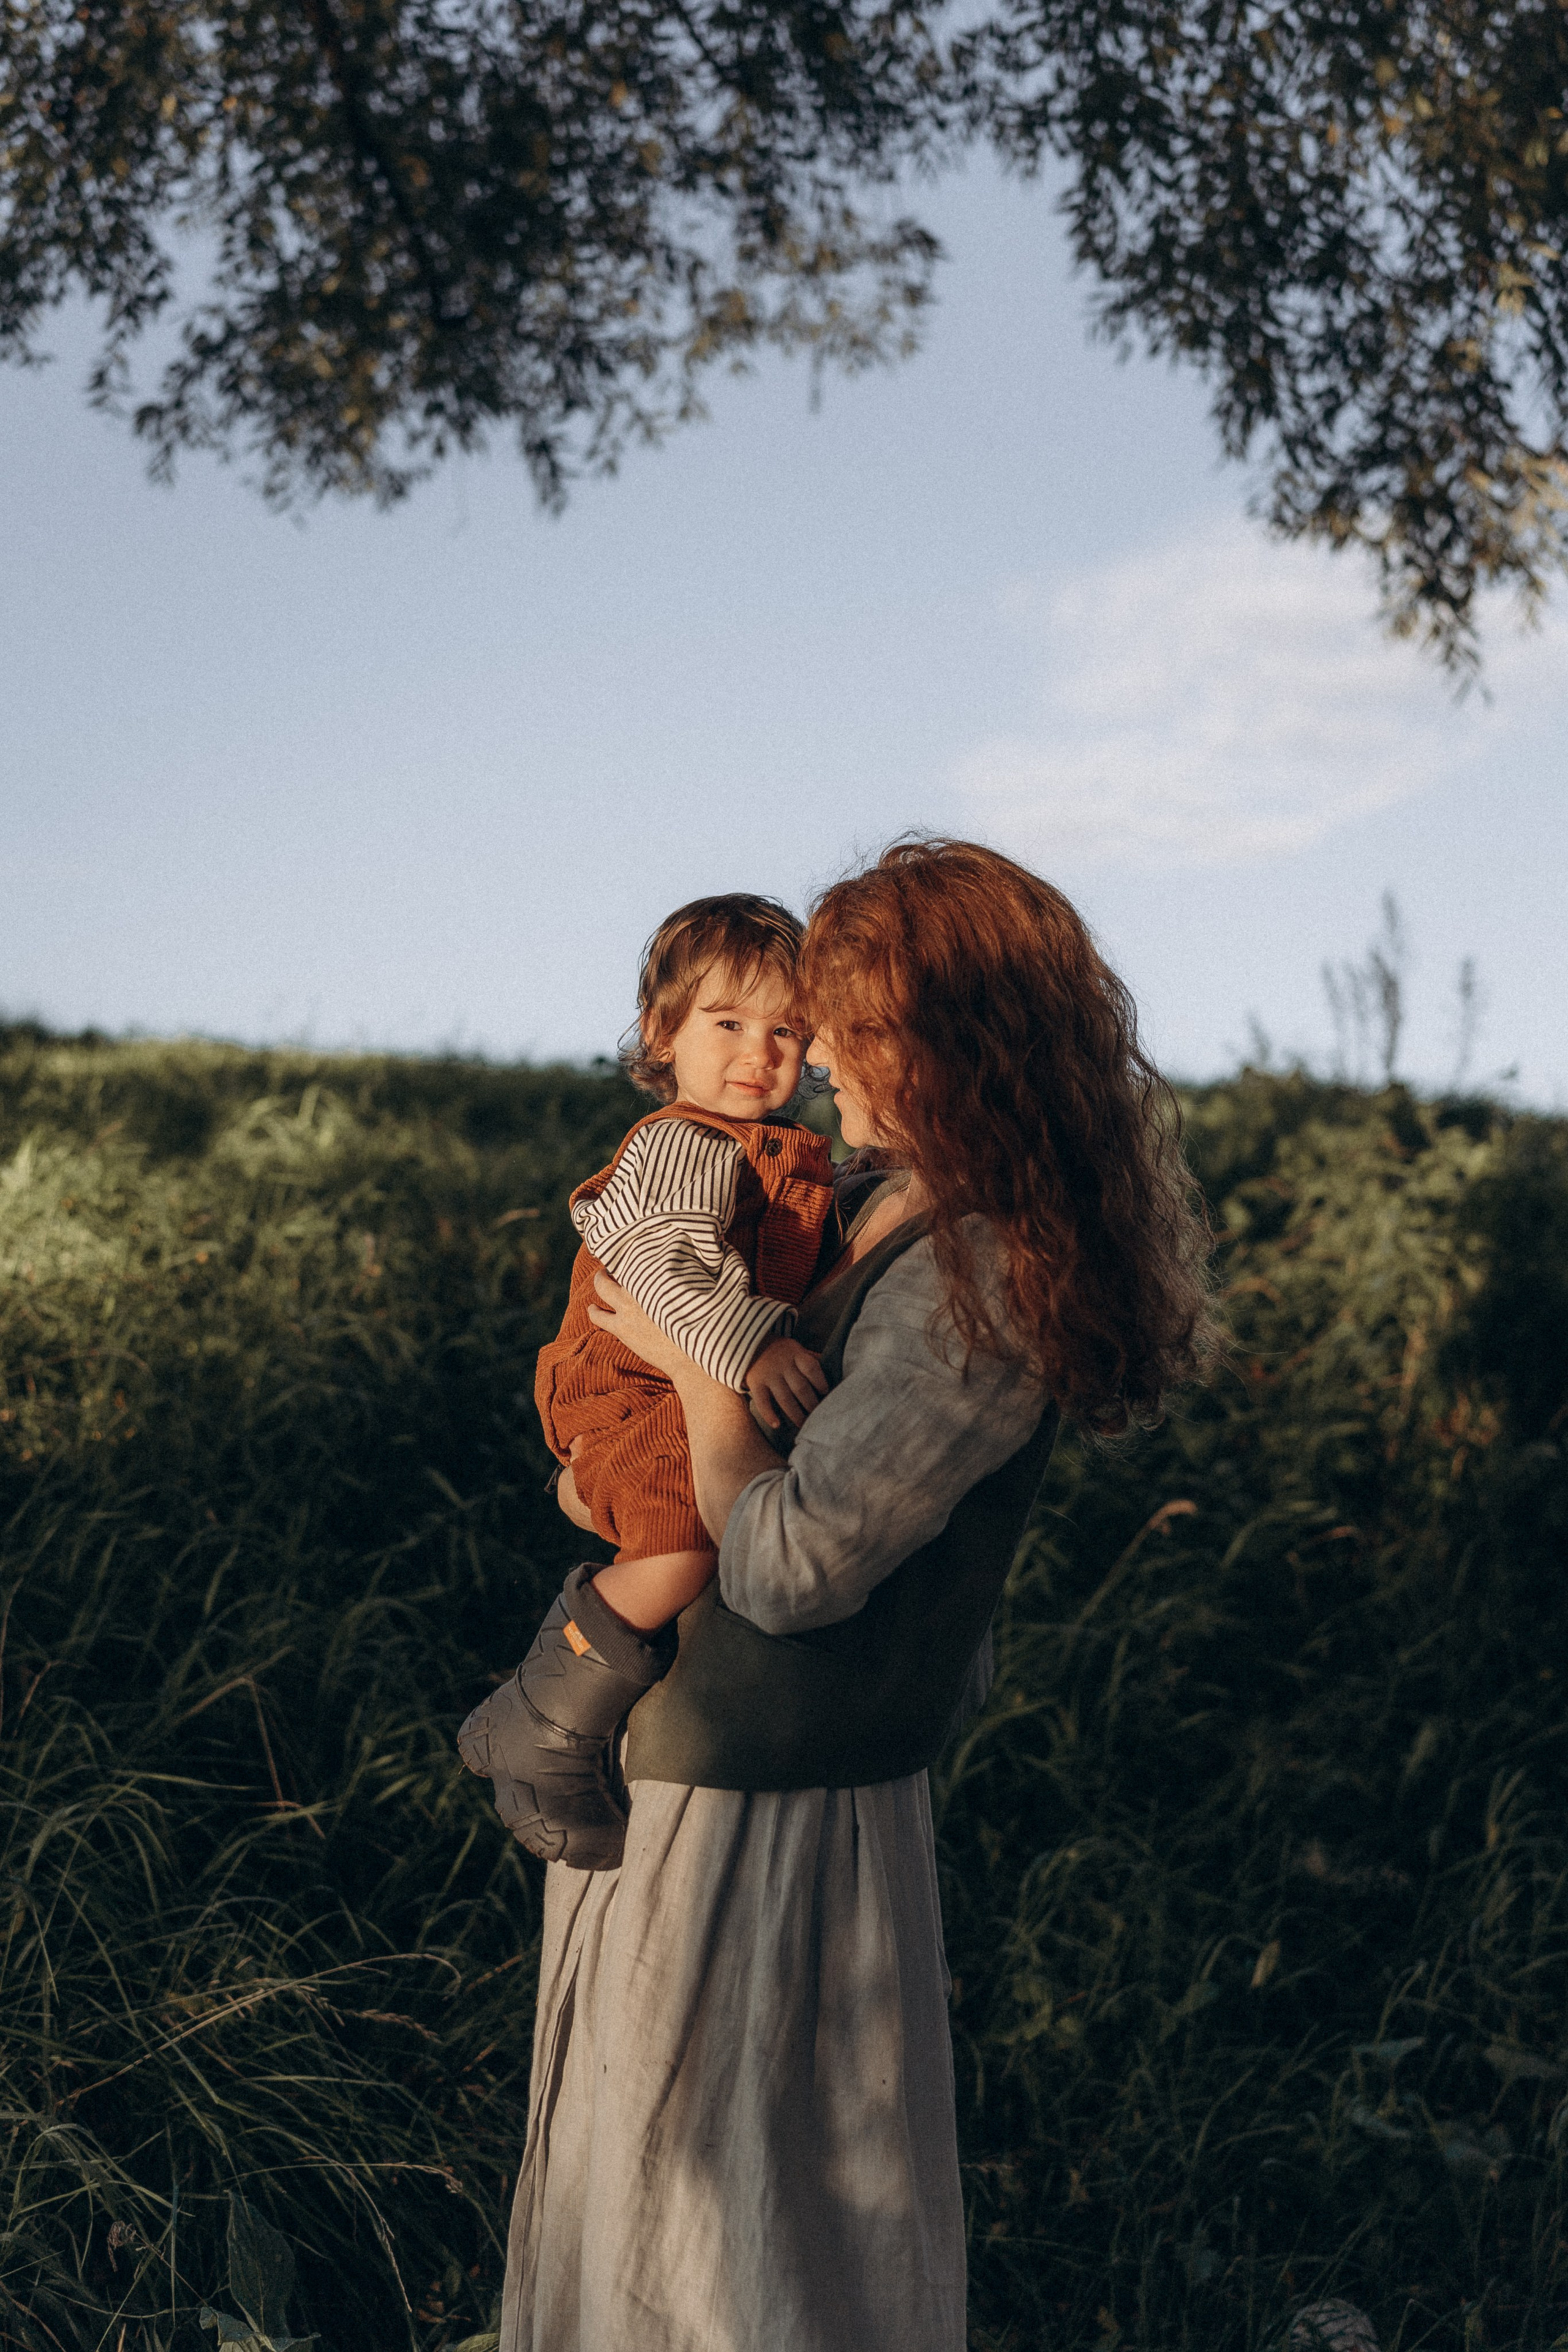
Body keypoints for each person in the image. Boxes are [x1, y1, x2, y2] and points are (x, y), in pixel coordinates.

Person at [466, 839, 1214, 2352]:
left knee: (736, 2224)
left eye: (838, 1020)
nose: (804, 1049)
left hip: (770, 1802)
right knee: (660, 2191)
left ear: (943, 1046)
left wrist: (694, 1373)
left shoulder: (981, 1271)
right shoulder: (862, 1207)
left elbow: (795, 1569)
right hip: (694, 1765)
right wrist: (626, 1439)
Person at [461, 895, 835, 1866]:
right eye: (729, 1024)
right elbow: (666, 1267)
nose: (761, 1053)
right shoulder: (684, 1143)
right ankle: (538, 1719)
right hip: (629, 1388)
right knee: (685, 1553)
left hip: (676, 1387)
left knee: (708, 1542)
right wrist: (752, 1347)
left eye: (788, 1032)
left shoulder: (786, 1151)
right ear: (660, 1034)